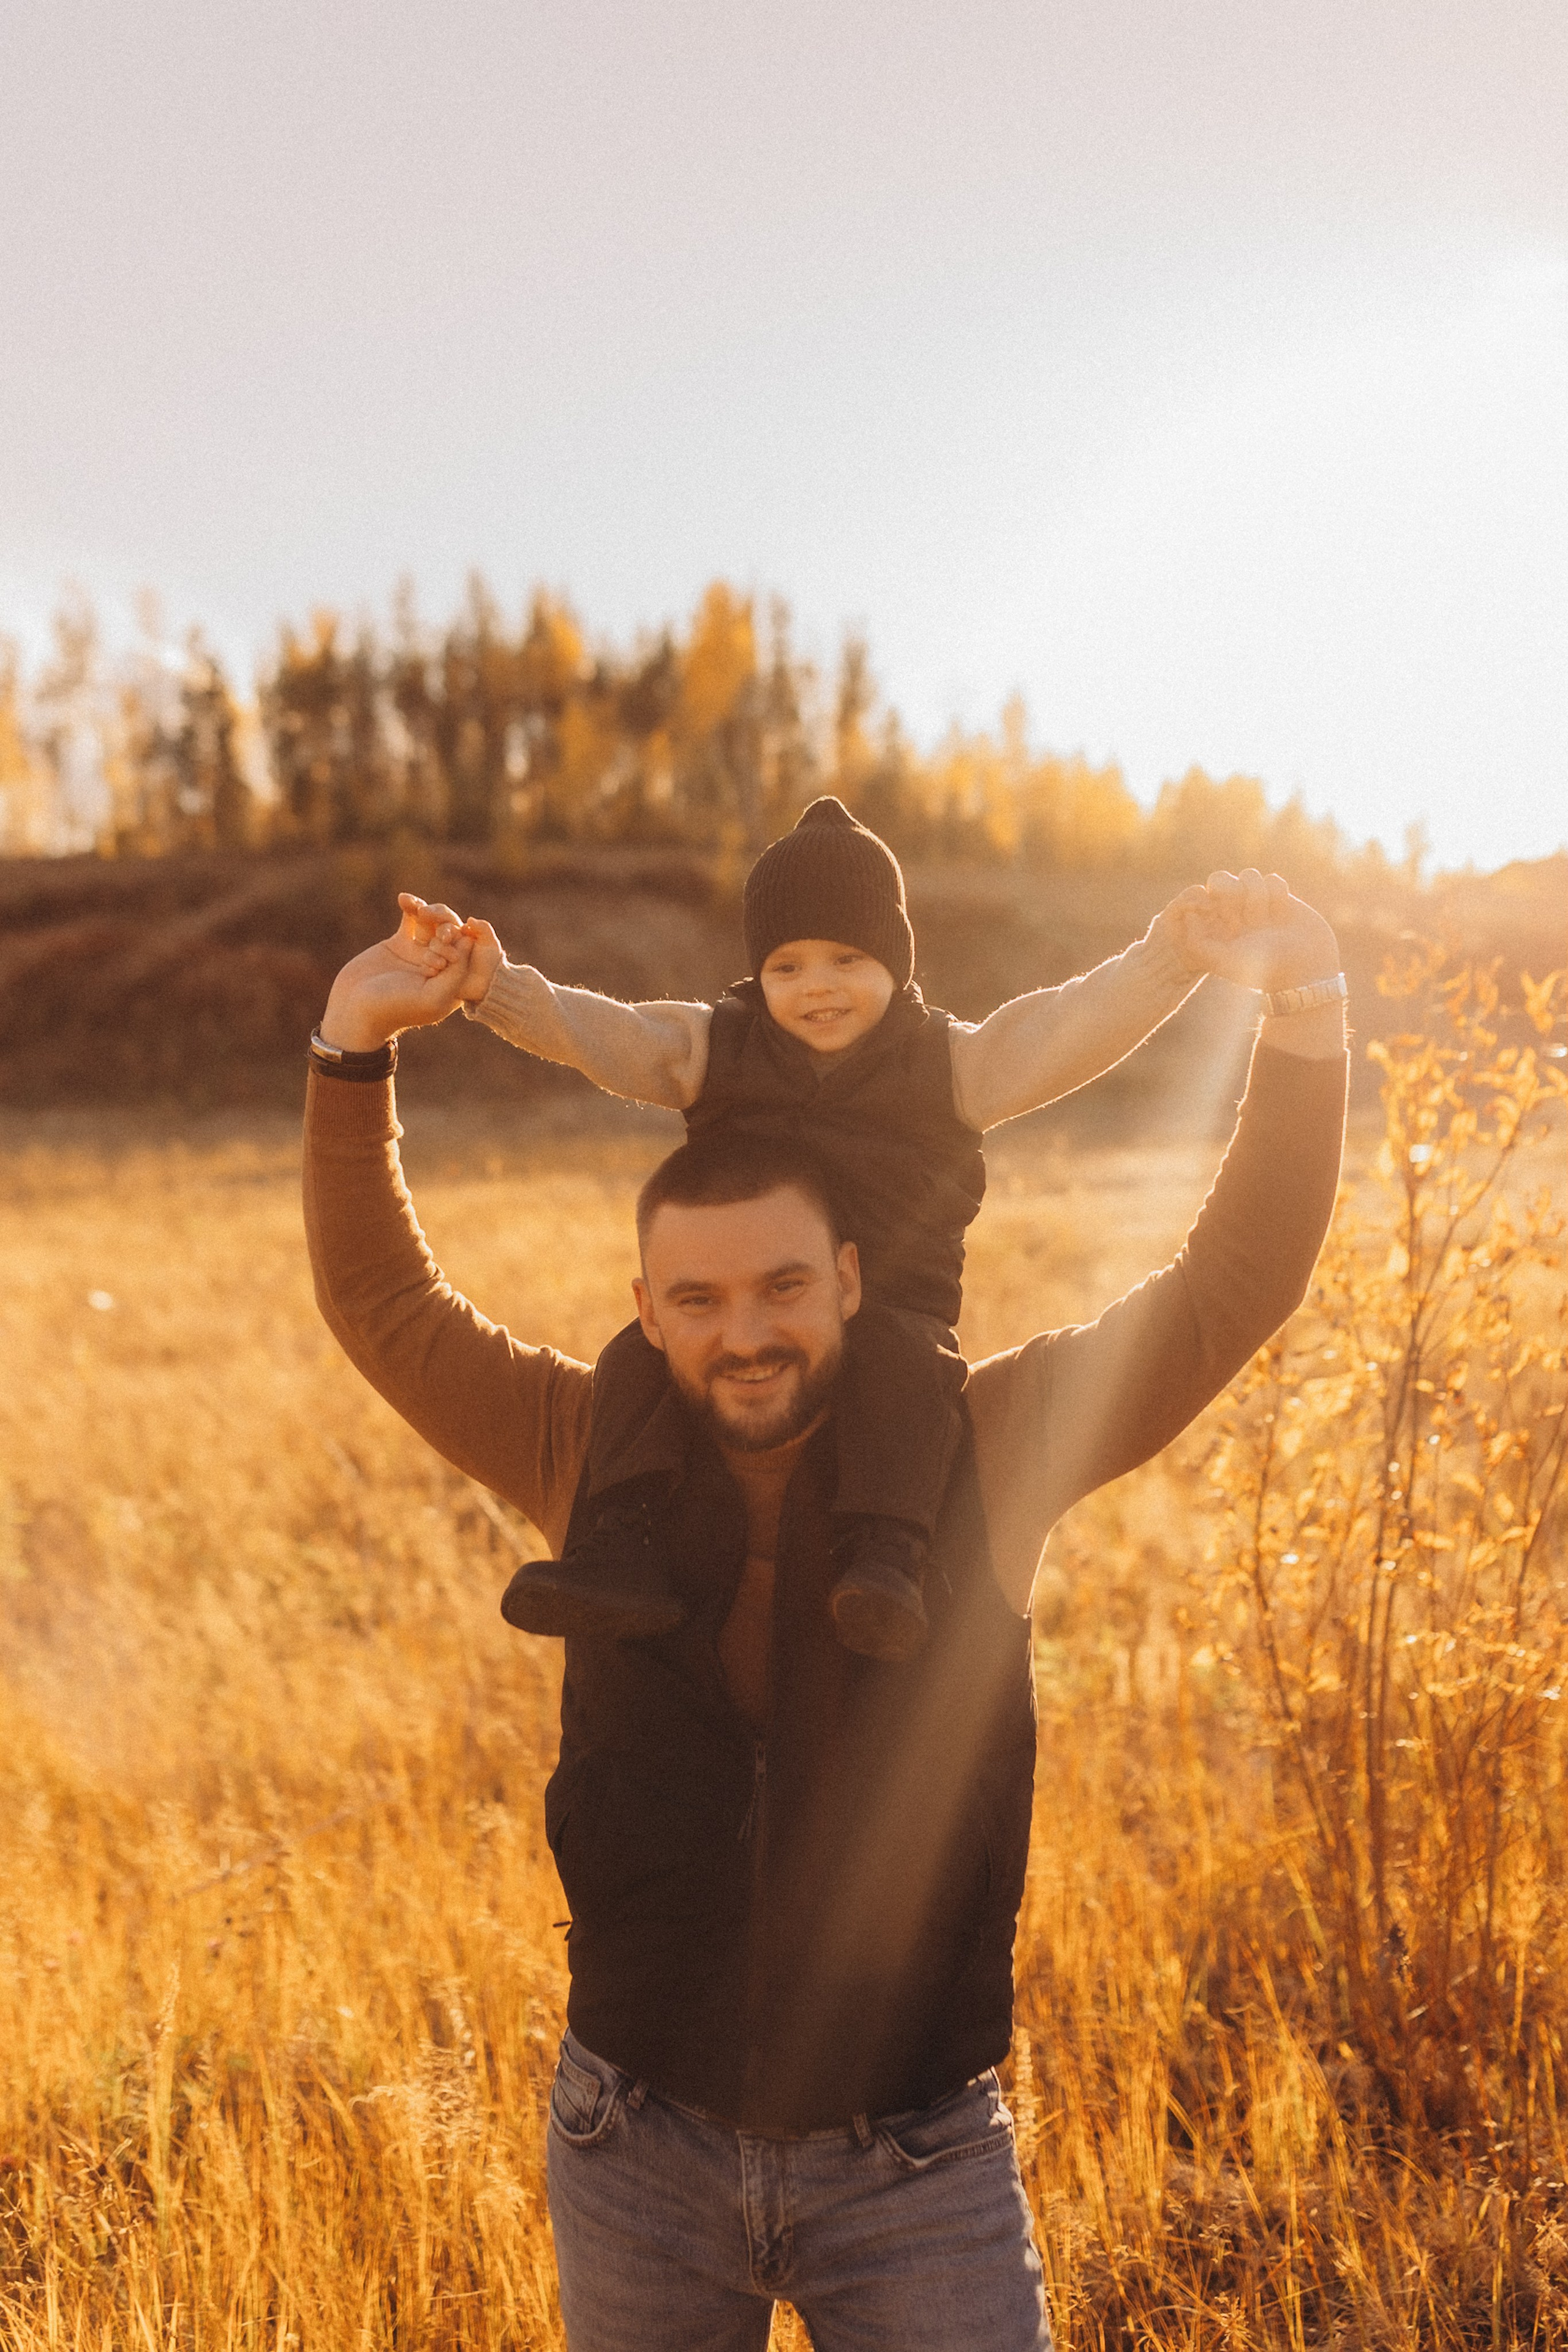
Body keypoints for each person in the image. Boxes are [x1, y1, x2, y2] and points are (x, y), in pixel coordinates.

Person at [304, 864, 1348, 2351]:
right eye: (700, 1300)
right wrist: (352, 1047)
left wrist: (1305, 999)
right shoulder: (586, 1454)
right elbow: (382, 1303)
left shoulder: (985, 1446)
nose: (745, 1335)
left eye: (784, 1287)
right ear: (647, 1305)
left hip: (913, 2166)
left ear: (853, 1280)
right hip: (634, 2147)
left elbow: (1229, 1280)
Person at [399, 797, 1235, 1663]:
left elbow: (1068, 1026)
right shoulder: (717, 1046)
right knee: (633, 1362)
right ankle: (621, 1548)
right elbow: (605, 1034)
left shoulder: (947, 1062)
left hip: (896, 1307)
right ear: (758, 972)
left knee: (908, 1374)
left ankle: (884, 1559)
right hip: (743, 1300)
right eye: (788, 967)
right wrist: (493, 988)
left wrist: (1171, 958)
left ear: (898, 964)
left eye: (847, 959)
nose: (818, 987)